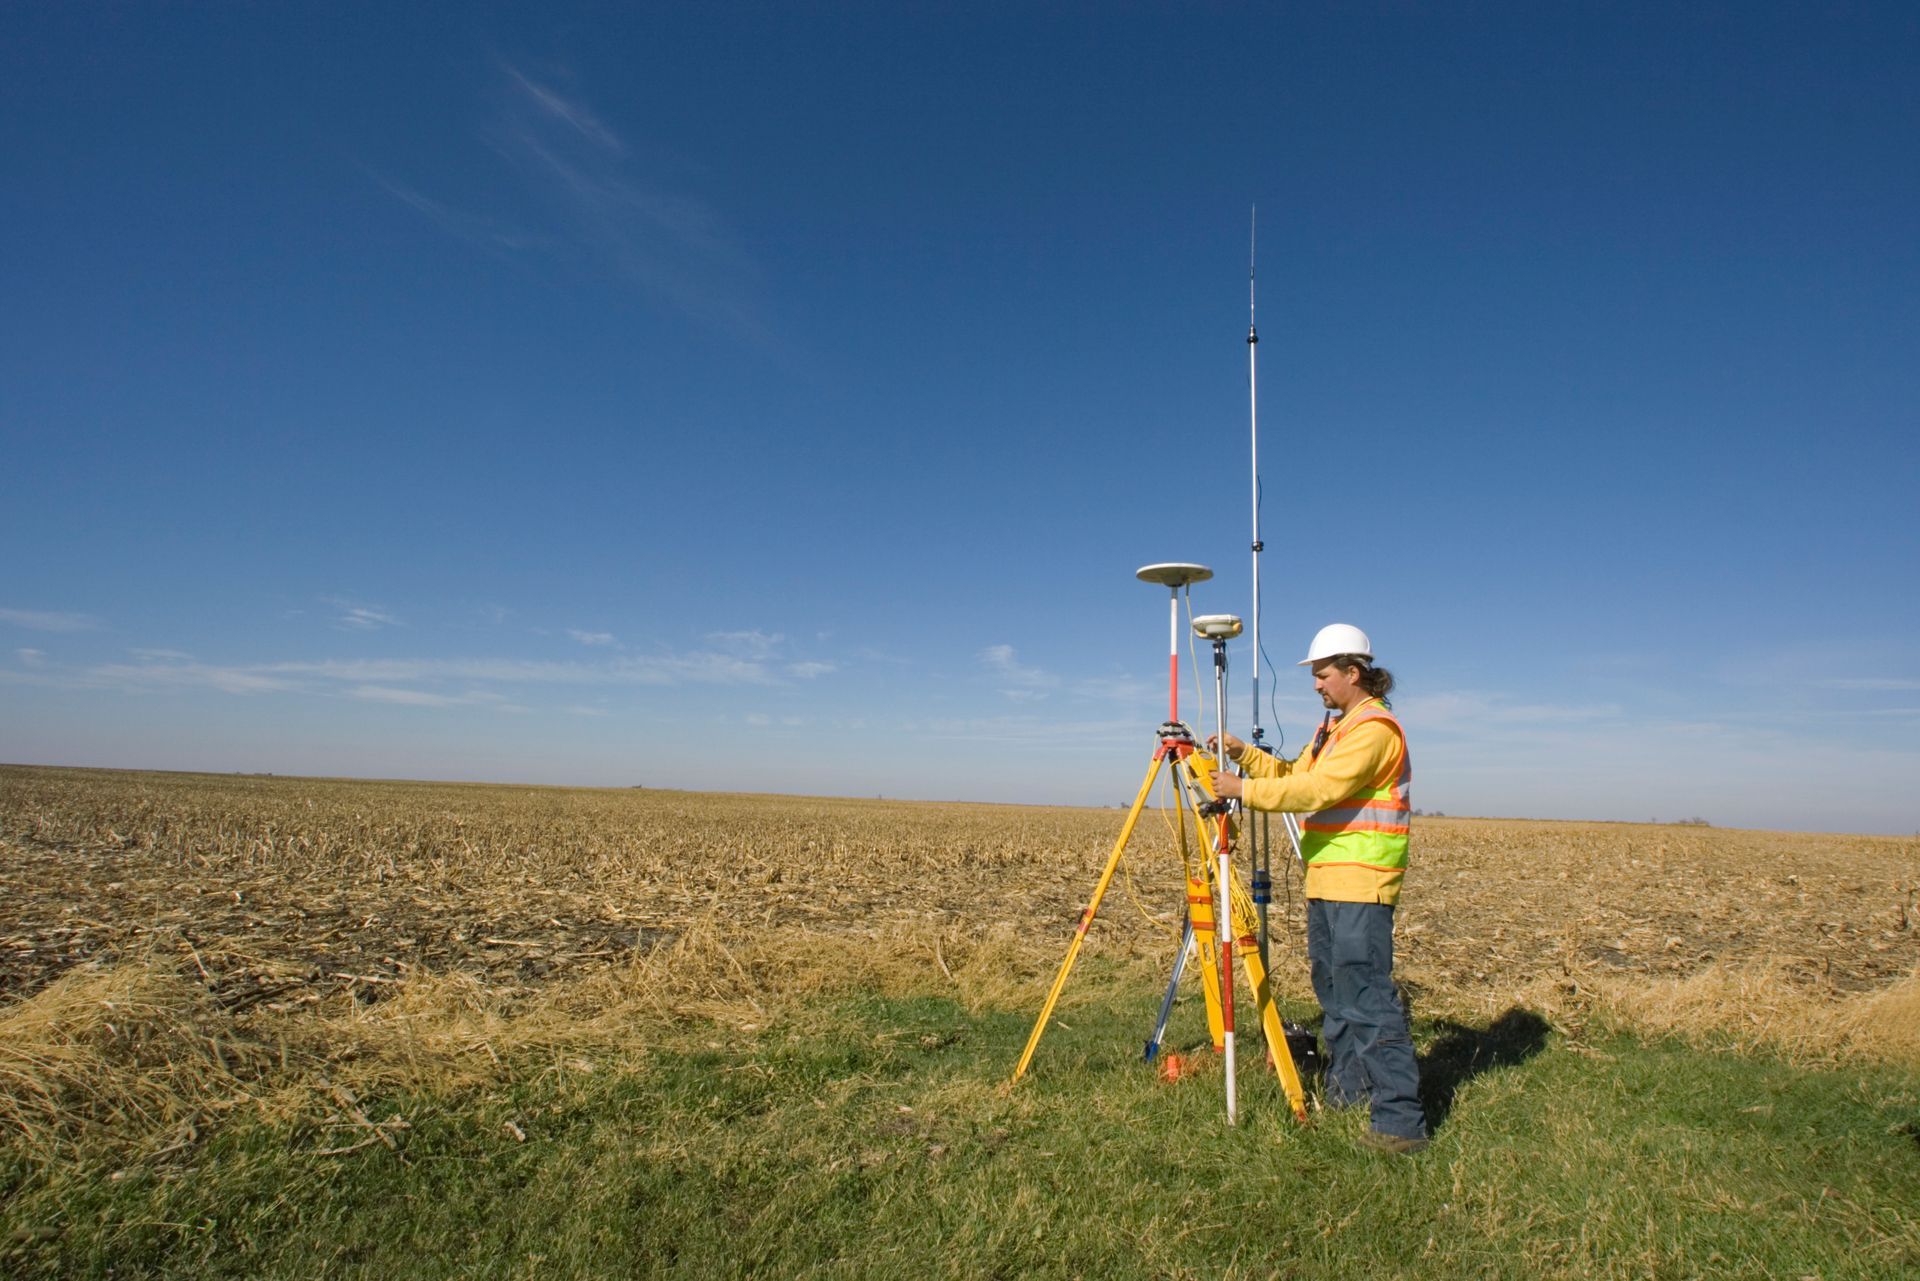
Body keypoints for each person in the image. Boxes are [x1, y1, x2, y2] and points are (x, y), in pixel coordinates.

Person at [1207, 622, 1428, 1155]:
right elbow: (1293, 773)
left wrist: (1242, 790)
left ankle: (1400, 1121)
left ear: (1354, 673)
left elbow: (1319, 789)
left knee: (1367, 997)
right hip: (1327, 879)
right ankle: (1350, 1093)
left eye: (1323, 675)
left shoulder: (1375, 729)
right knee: (1334, 993)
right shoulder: (1334, 729)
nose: (1316, 685)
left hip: (1362, 881)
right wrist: (1245, 756)